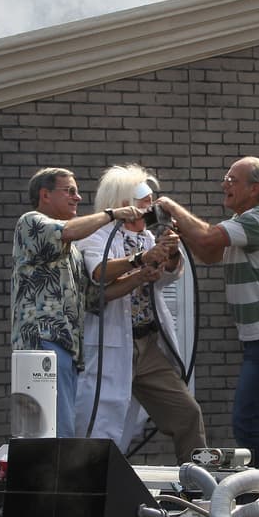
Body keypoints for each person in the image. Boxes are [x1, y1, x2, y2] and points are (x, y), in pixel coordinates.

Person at [157, 157, 259, 475]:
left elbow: (205, 238)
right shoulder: (243, 221)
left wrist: (172, 207)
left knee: (246, 424)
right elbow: (208, 253)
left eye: (232, 179)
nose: (225, 184)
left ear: (254, 188)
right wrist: (180, 232)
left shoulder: (258, 220)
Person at [75, 164, 207, 461]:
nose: (149, 212)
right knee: (103, 422)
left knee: (187, 412)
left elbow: (167, 278)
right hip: (111, 346)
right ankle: (93, 485)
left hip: (147, 345)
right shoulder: (96, 236)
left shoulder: (148, 237)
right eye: (144, 205)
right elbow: (99, 274)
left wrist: (170, 253)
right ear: (124, 205)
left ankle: (199, 484)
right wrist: (140, 261)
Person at [10, 167, 144, 437]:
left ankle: (54, 476)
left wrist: (141, 272)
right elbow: (67, 231)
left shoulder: (71, 250)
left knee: (61, 429)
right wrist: (112, 214)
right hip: (41, 342)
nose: (78, 198)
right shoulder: (31, 222)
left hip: (65, 349)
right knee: (52, 432)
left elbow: (95, 298)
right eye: (69, 191)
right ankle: (48, 478)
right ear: (45, 195)